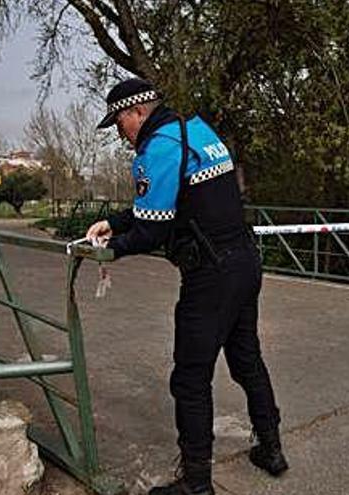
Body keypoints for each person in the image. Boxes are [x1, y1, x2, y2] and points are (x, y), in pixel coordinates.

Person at [86, 78, 287, 495]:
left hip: (210, 275)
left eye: (119, 123)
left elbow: (152, 232)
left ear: (135, 113)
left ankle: (196, 484)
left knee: (190, 379)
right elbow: (169, 201)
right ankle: (271, 449)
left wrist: (108, 248)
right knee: (247, 359)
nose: (120, 134)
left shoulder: (156, 148)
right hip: (245, 262)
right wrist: (116, 221)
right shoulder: (195, 130)